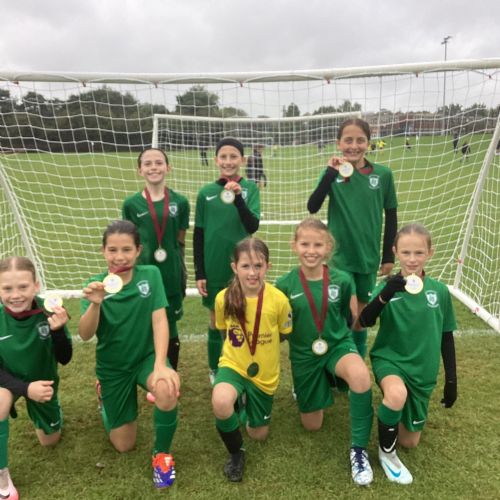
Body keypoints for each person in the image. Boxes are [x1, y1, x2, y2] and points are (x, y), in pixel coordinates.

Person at [78, 220, 180, 489]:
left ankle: (161, 456)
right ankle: (105, 395)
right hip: (114, 367)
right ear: (103, 251)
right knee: (124, 445)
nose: (119, 256)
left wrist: (160, 364)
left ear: (138, 250)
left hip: (146, 358)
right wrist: (95, 306)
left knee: (166, 388)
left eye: (126, 249)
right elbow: (85, 334)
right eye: (112, 250)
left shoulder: (150, 275)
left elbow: (159, 320)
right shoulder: (94, 285)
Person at [276, 218, 374, 486]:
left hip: (336, 346)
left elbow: (352, 319)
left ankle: (359, 450)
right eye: (305, 244)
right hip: (304, 356)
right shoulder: (284, 285)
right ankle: (319, 383)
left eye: (318, 244)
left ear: (328, 247)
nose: (311, 250)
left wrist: (380, 305)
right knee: (312, 425)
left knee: (360, 376)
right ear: (294, 246)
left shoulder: (342, 280)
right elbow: (279, 328)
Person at [359, 223, 457, 485]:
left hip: (422, 371)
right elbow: (365, 320)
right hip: (390, 360)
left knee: (410, 442)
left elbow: (446, 336)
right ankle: (386, 453)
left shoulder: (440, 291)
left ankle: (394, 415)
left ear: (430, 253)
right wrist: (385, 295)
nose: (412, 259)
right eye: (406, 252)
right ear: (395, 252)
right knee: (396, 394)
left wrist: (451, 380)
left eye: (418, 253)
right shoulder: (386, 287)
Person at [307, 118, 398, 359]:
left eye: (360, 140)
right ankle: (340, 363)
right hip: (339, 258)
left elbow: (391, 216)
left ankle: (355, 363)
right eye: (348, 140)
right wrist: (329, 171)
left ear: (369, 143)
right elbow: (312, 206)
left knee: (360, 320)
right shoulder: (332, 174)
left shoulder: (383, 175)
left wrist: (388, 256)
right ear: (339, 143)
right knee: (345, 315)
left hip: (367, 258)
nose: (354, 145)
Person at [212, 237, 292, 482]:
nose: (252, 272)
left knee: (258, 434)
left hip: (264, 374)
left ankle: (245, 404)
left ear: (267, 266)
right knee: (221, 401)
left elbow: (284, 335)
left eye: (258, 266)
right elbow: (224, 332)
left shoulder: (278, 300)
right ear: (235, 267)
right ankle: (236, 454)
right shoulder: (223, 298)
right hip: (233, 365)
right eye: (246, 266)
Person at [0, 256, 72, 500]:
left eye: (23, 287)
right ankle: (2, 477)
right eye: (7, 288)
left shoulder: (49, 310)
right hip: (7, 382)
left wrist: (58, 331)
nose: (15, 295)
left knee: (50, 441)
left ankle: (53, 415)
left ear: (36, 286)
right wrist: (23, 388)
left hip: (42, 385)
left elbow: (65, 358)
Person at [194, 138, 260, 385]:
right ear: (216, 160)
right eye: (223, 157)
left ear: (242, 160)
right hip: (213, 266)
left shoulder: (250, 188)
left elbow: (252, 225)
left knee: (242, 316)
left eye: (234, 156)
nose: (229, 161)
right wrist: (201, 272)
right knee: (215, 319)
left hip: (243, 267)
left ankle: (241, 365)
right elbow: (199, 234)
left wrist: (239, 196)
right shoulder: (206, 194)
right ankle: (215, 369)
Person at [122, 147, 190, 371]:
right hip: (143, 273)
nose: (154, 167)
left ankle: (171, 373)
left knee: (170, 323)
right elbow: (129, 243)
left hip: (171, 273)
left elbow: (180, 240)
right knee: (144, 323)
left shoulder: (180, 202)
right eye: (148, 164)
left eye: (159, 163)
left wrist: (179, 270)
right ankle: (149, 368)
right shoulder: (131, 205)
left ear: (168, 168)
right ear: (139, 170)